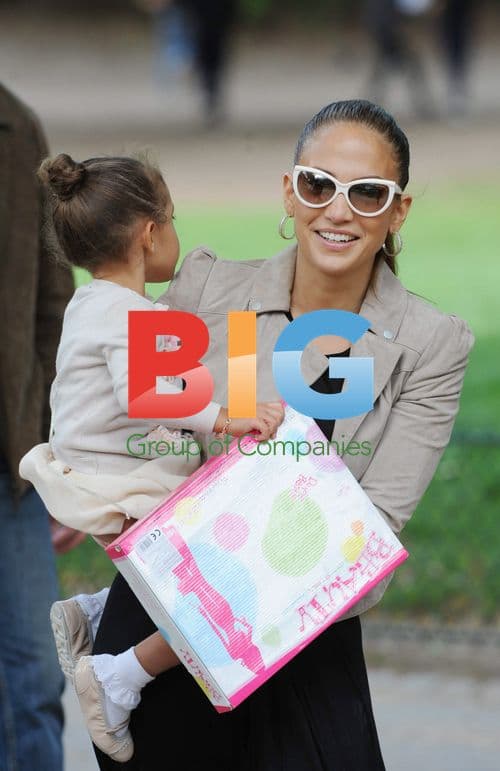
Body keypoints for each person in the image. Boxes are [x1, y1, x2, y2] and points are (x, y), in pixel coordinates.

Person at [94, 99, 473, 769]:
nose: (338, 209)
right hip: (163, 647)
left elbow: (372, 536)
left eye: (368, 193)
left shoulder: (430, 344)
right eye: (318, 184)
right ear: (290, 192)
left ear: (398, 211)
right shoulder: (207, 287)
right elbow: (132, 439)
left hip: (307, 654)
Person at [19, 152, 284, 763]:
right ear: (150, 232)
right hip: (122, 479)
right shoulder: (126, 313)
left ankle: (97, 611)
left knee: (199, 579)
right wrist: (226, 415)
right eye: (172, 218)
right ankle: (114, 678)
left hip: (106, 468)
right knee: (226, 590)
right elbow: (143, 390)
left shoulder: (97, 305)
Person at [0, 84, 73, 771]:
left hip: (10, 469)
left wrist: (56, 450)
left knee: (34, 681)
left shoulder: (17, 128)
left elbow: (55, 303)